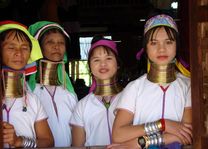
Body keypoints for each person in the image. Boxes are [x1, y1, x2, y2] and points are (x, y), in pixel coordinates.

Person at [112, 14, 192, 149]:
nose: (162, 49)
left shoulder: (188, 85)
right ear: (146, 48)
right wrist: (162, 124)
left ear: (176, 45)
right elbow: (118, 134)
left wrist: (139, 143)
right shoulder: (134, 88)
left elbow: (187, 134)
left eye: (169, 42)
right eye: (154, 43)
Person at [0, 20, 54, 148]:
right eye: (11, 47)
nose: (19, 53)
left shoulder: (32, 100)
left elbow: (49, 141)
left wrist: (20, 141)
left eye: (24, 48)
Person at [27, 21, 78, 147]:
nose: (57, 46)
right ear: (39, 48)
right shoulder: (29, 92)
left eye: (61, 43)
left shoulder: (69, 92)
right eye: (50, 42)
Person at [70, 36, 123, 147]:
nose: (103, 64)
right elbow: (77, 146)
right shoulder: (82, 106)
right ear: (89, 66)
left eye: (108, 58)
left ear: (117, 64)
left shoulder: (131, 98)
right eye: (96, 60)